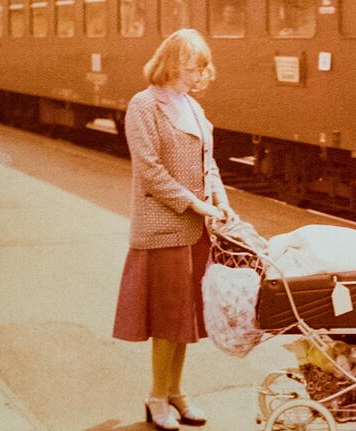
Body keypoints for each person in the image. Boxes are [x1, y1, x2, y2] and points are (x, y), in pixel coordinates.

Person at [112, 28, 237, 430]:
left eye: (200, 70)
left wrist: (220, 200)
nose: (197, 77)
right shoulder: (144, 105)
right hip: (164, 228)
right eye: (190, 68)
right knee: (167, 319)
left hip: (196, 230)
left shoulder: (192, 108)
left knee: (184, 319)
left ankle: (176, 391)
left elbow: (208, 163)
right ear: (170, 63)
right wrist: (195, 203)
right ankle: (157, 396)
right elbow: (149, 170)